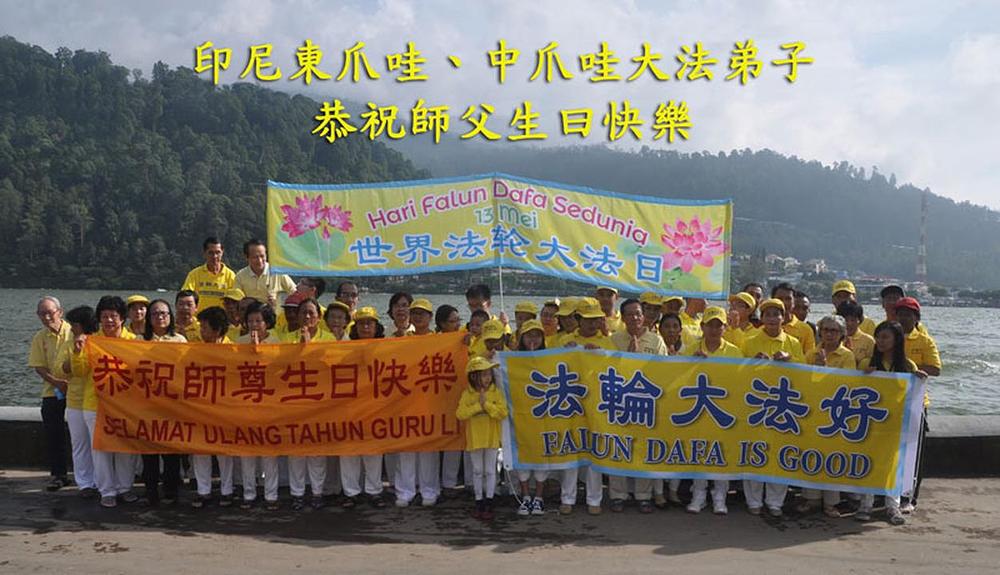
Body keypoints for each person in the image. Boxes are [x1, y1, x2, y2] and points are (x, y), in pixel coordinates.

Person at [70, 296, 139, 508]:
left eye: (113, 316)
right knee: (100, 450)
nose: (109, 320)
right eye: (104, 316)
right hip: (95, 404)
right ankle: (107, 490)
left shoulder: (133, 341)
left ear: (122, 318)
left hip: (125, 405)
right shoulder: (91, 341)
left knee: (126, 448)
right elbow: (80, 371)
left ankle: (124, 488)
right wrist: (77, 351)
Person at [858, 321, 928, 525]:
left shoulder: (908, 366)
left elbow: (914, 395)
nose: (880, 341)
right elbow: (854, 389)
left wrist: (919, 378)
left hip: (896, 423)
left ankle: (893, 505)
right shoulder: (867, 364)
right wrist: (863, 377)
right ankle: (866, 504)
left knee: (894, 463)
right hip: (871, 421)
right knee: (869, 461)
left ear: (897, 340)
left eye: (885, 337)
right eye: (878, 337)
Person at [741, 298, 805, 517]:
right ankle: (753, 500)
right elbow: (736, 372)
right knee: (754, 452)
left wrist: (790, 360)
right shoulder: (749, 341)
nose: (771, 319)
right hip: (757, 404)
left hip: (783, 405)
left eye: (776, 314)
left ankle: (775, 501)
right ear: (761, 318)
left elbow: (804, 372)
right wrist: (752, 362)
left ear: (783, 317)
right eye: (767, 314)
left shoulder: (793, 343)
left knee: (780, 452)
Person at [608, 299, 667, 513]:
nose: (635, 318)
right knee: (619, 447)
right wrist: (627, 356)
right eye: (630, 314)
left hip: (646, 401)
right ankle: (618, 494)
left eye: (638, 313)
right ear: (623, 318)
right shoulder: (614, 340)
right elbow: (606, 369)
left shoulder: (656, 340)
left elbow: (665, 369)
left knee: (643, 448)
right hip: (620, 401)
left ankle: (644, 495)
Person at [684, 306, 743, 515]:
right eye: (710, 325)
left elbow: (740, 381)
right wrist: (691, 364)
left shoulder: (734, 352)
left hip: (723, 410)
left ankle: (720, 496)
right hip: (697, 409)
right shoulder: (691, 349)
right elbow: (677, 377)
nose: (714, 330)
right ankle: (699, 495)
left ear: (725, 328)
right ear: (702, 326)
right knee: (699, 452)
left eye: (719, 325)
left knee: (721, 453)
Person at [799, 315, 857, 517]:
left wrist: (823, 369)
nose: (829, 334)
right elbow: (803, 381)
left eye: (834, 331)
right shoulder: (811, 353)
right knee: (811, 456)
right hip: (814, 410)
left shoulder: (847, 356)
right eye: (826, 330)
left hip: (836, 413)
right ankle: (811, 498)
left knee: (832, 458)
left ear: (841, 334)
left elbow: (848, 383)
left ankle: (831, 502)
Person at [558, 299, 612, 516]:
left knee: (594, 452)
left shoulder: (607, 343)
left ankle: (594, 498)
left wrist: (602, 354)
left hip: (597, 404)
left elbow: (620, 368)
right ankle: (567, 497)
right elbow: (550, 365)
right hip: (571, 403)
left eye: (595, 319)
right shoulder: (566, 340)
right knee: (571, 450)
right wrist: (564, 352)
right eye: (587, 319)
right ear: (578, 319)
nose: (592, 324)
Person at [282, 298, 333, 511]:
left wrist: (308, 348)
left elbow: (330, 367)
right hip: (294, 401)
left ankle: (317, 492)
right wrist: (299, 348)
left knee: (316, 452)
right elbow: (281, 367)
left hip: (319, 402)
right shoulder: (286, 339)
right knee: (296, 452)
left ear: (319, 317)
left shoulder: (329, 339)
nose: (307, 317)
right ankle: (297, 493)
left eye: (312, 313)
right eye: (303, 312)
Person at [394, 298, 441, 508]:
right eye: (415, 313)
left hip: (430, 401)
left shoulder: (439, 340)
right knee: (406, 449)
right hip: (406, 400)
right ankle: (405, 491)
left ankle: (429, 490)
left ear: (430, 317)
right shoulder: (402, 339)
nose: (418, 317)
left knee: (428, 450)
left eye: (423, 313)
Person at [894, 296, 940, 512]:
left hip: (915, 402)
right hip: (889, 402)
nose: (903, 318)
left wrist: (912, 369)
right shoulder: (889, 336)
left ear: (916, 318)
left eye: (908, 314)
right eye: (900, 314)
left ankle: (909, 498)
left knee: (913, 452)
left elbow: (936, 369)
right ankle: (887, 495)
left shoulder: (925, 341)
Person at [141, 299, 186, 506]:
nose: (160, 317)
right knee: (148, 450)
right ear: (149, 318)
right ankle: (150, 490)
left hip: (171, 402)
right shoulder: (138, 341)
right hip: (147, 402)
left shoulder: (180, 340)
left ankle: (171, 490)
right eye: (155, 313)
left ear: (170, 316)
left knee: (171, 450)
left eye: (164, 313)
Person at [236, 301, 281, 510]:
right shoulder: (239, 342)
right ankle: (249, 493)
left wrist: (260, 351)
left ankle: (271, 494)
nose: (254, 325)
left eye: (258, 321)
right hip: (246, 403)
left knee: (269, 454)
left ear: (267, 323)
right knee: (247, 453)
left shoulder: (277, 341)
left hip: (269, 404)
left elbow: (278, 370)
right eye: (250, 321)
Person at [342, 306, 388, 508]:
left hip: (375, 407)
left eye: (370, 323)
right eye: (361, 323)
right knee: (349, 452)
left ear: (377, 326)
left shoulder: (386, 347)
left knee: (373, 452)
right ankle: (351, 492)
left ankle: (374, 491)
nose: (365, 327)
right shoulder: (344, 348)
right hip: (350, 406)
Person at [190, 306, 237, 509]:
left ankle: (227, 490)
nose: (201, 331)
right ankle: (203, 491)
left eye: (205, 327)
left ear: (217, 330)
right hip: (200, 407)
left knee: (224, 452)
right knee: (200, 451)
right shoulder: (195, 350)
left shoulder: (233, 351)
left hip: (224, 408)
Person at [28, 296, 73, 491]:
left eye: (50, 313)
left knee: (83, 435)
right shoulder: (40, 337)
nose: (46, 317)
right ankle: (58, 475)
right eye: (42, 314)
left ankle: (88, 475)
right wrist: (57, 383)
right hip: (52, 390)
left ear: (60, 312)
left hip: (77, 390)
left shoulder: (74, 332)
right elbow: (38, 366)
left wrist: (69, 384)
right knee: (53, 433)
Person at [456, 356, 508, 521]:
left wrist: (487, 405)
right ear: (473, 376)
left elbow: (503, 412)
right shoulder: (467, 394)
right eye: (484, 374)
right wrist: (478, 406)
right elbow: (460, 414)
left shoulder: (495, 392)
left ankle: (490, 502)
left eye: (489, 374)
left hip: (491, 438)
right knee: (478, 471)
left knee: (490, 471)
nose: (488, 378)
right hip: (475, 438)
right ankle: (479, 501)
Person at [58, 306, 100, 500]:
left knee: (98, 446)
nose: (71, 327)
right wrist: (76, 353)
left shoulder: (100, 341)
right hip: (75, 400)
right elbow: (61, 369)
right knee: (80, 443)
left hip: (96, 401)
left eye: (74, 324)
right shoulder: (69, 343)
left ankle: (100, 481)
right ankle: (85, 483)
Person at [513, 320, 549, 516]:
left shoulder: (550, 358)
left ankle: (539, 498)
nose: (533, 339)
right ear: (522, 338)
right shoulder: (512, 360)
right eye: (529, 335)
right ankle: (526, 496)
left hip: (543, 415)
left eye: (537, 335)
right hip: (520, 415)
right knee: (522, 456)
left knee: (542, 457)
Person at [234, 238, 295, 306]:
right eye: (255, 257)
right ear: (246, 257)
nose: (259, 261)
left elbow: (295, 292)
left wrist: (279, 302)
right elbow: (236, 300)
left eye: (262, 256)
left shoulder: (277, 272)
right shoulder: (240, 276)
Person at [181, 236, 236, 312]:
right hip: (199, 318)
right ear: (204, 253)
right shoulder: (194, 275)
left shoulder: (230, 276)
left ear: (222, 252)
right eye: (211, 253)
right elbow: (186, 296)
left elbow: (235, 301)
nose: (214, 256)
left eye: (218, 252)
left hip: (222, 318)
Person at [772, 282, 816, 354]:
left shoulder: (806, 330)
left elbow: (809, 357)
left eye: (788, 299)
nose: (784, 303)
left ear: (794, 302)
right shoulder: (764, 327)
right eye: (780, 299)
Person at [836, 301, 876, 368]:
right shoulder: (832, 339)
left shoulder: (869, 341)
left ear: (859, 321)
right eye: (846, 320)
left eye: (853, 320)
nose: (849, 324)